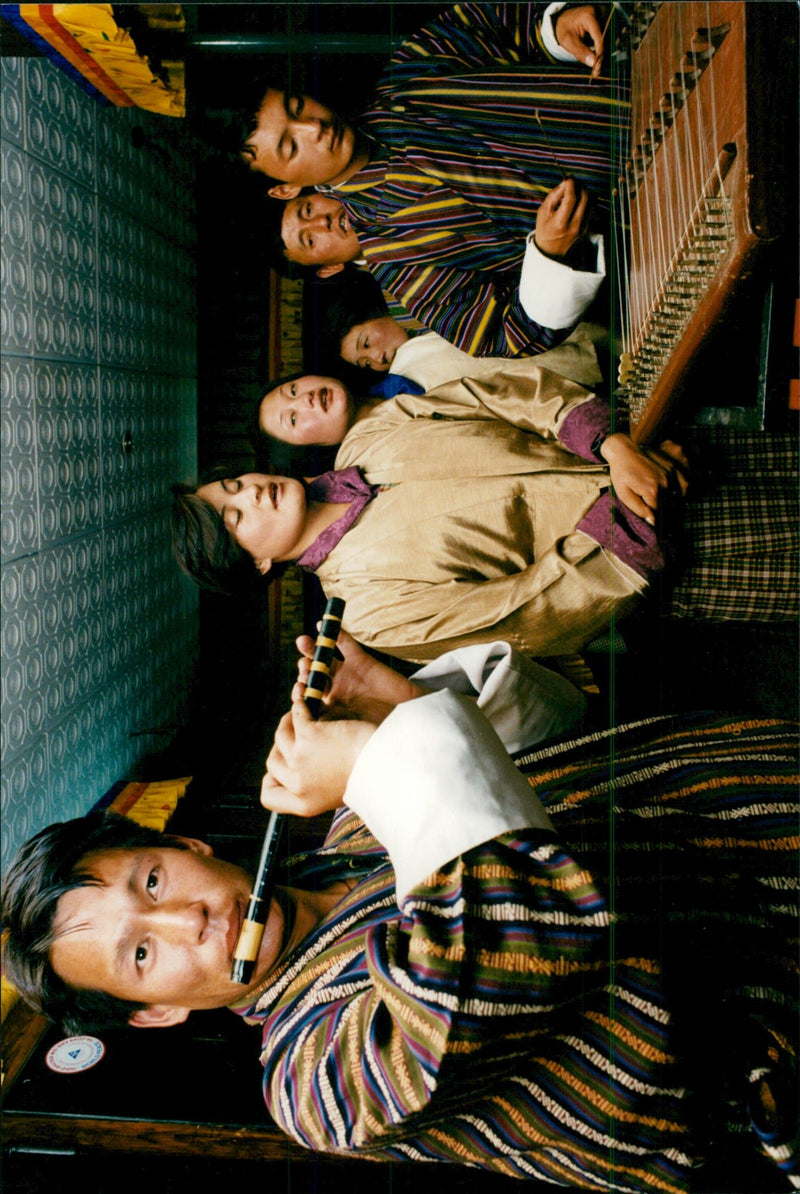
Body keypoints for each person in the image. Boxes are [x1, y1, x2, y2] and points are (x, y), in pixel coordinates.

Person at [3, 635, 797, 1191]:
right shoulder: (312, 1083)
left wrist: (397, 702)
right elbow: (502, 953)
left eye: (149, 882)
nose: (187, 920)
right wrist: (376, 758)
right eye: (141, 957)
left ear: (185, 844)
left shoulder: (353, 829)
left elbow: (552, 749)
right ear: (157, 1013)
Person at [174, 365, 688, 662]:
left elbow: (499, 395)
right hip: (672, 549)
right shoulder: (369, 609)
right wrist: (631, 512)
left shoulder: (370, 435)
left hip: (657, 439)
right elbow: (525, 617)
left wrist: (612, 445)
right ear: (258, 566)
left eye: (235, 485)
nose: (252, 494)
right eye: (235, 518)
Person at [243, 3, 629, 356]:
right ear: (284, 187)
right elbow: (506, 335)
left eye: (296, 106)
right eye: (290, 146)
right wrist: (549, 256)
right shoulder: (400, 266)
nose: (315, 127)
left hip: (657, 88)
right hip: (657, 215)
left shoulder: (412, 66)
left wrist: (554, 29)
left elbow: (496, 20)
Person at [312, 265, 605, 397]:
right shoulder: (412, 366)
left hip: (573, 310)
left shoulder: (415, 295)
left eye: (366, 344)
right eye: (366, 363)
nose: (377, 358)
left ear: (372, 313)